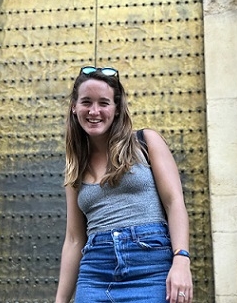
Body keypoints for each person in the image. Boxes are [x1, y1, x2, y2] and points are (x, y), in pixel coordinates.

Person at [55, 66, 193, 303]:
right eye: (86, 102)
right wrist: (60, 301)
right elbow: (74, 239)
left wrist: (181, 259)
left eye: (104, 103)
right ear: (74, 107)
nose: (94, 111)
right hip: (95, 272)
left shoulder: (146, 142)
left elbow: (174, 203)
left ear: (117, 109)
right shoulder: (75, 165)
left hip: (151, 269)